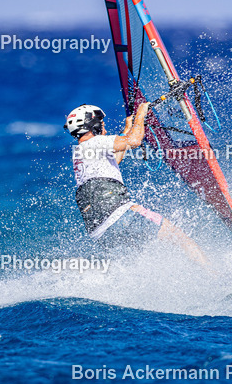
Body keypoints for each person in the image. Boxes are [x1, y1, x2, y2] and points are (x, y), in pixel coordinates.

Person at [65, 103, 210, 267]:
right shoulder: (96, 142)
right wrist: (141, 114)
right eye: (102, 123)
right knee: (180, 238)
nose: (104, 127)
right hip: (122, 217)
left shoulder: (80, 152)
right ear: (92, 125)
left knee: (141, 261)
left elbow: (115, 160)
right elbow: (134, 141)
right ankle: (215, 276)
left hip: (102, 233)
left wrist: (128, 128)